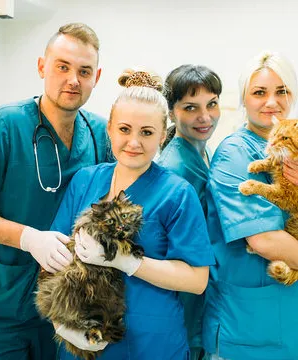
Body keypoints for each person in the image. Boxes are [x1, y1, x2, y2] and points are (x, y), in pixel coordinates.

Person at [0, 23, 110, 360]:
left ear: (97, 76)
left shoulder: (99, 133)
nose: (73, 79)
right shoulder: (2, 126)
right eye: (62, 66)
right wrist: (28, 238)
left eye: (84, 71)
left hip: (64, 307)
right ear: (41, 67)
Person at [50, 69, 216, 360]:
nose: (134, 142)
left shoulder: (177, 194)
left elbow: (197, 279)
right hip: (86, 341)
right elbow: (55, 256)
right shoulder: (85, 181)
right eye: (125, 129)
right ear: (110, 129)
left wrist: (127, 261)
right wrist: (60, 320)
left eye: (147, 132)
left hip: (152, 344)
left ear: (163, 136)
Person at [202, 51, 298, 360]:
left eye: (281, 91)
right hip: (246, 329)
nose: (272, 101)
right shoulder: (236, 154)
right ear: (244, 99)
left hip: (285, 324)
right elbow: (265, 239)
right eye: (260, 93)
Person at [158, 65, 222, 360]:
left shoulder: (201, 151)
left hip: (200, 298)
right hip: (183, 302)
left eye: (212, 104)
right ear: (171, 113)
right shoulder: (176, 168)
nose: (205, 116)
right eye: (191, 107)